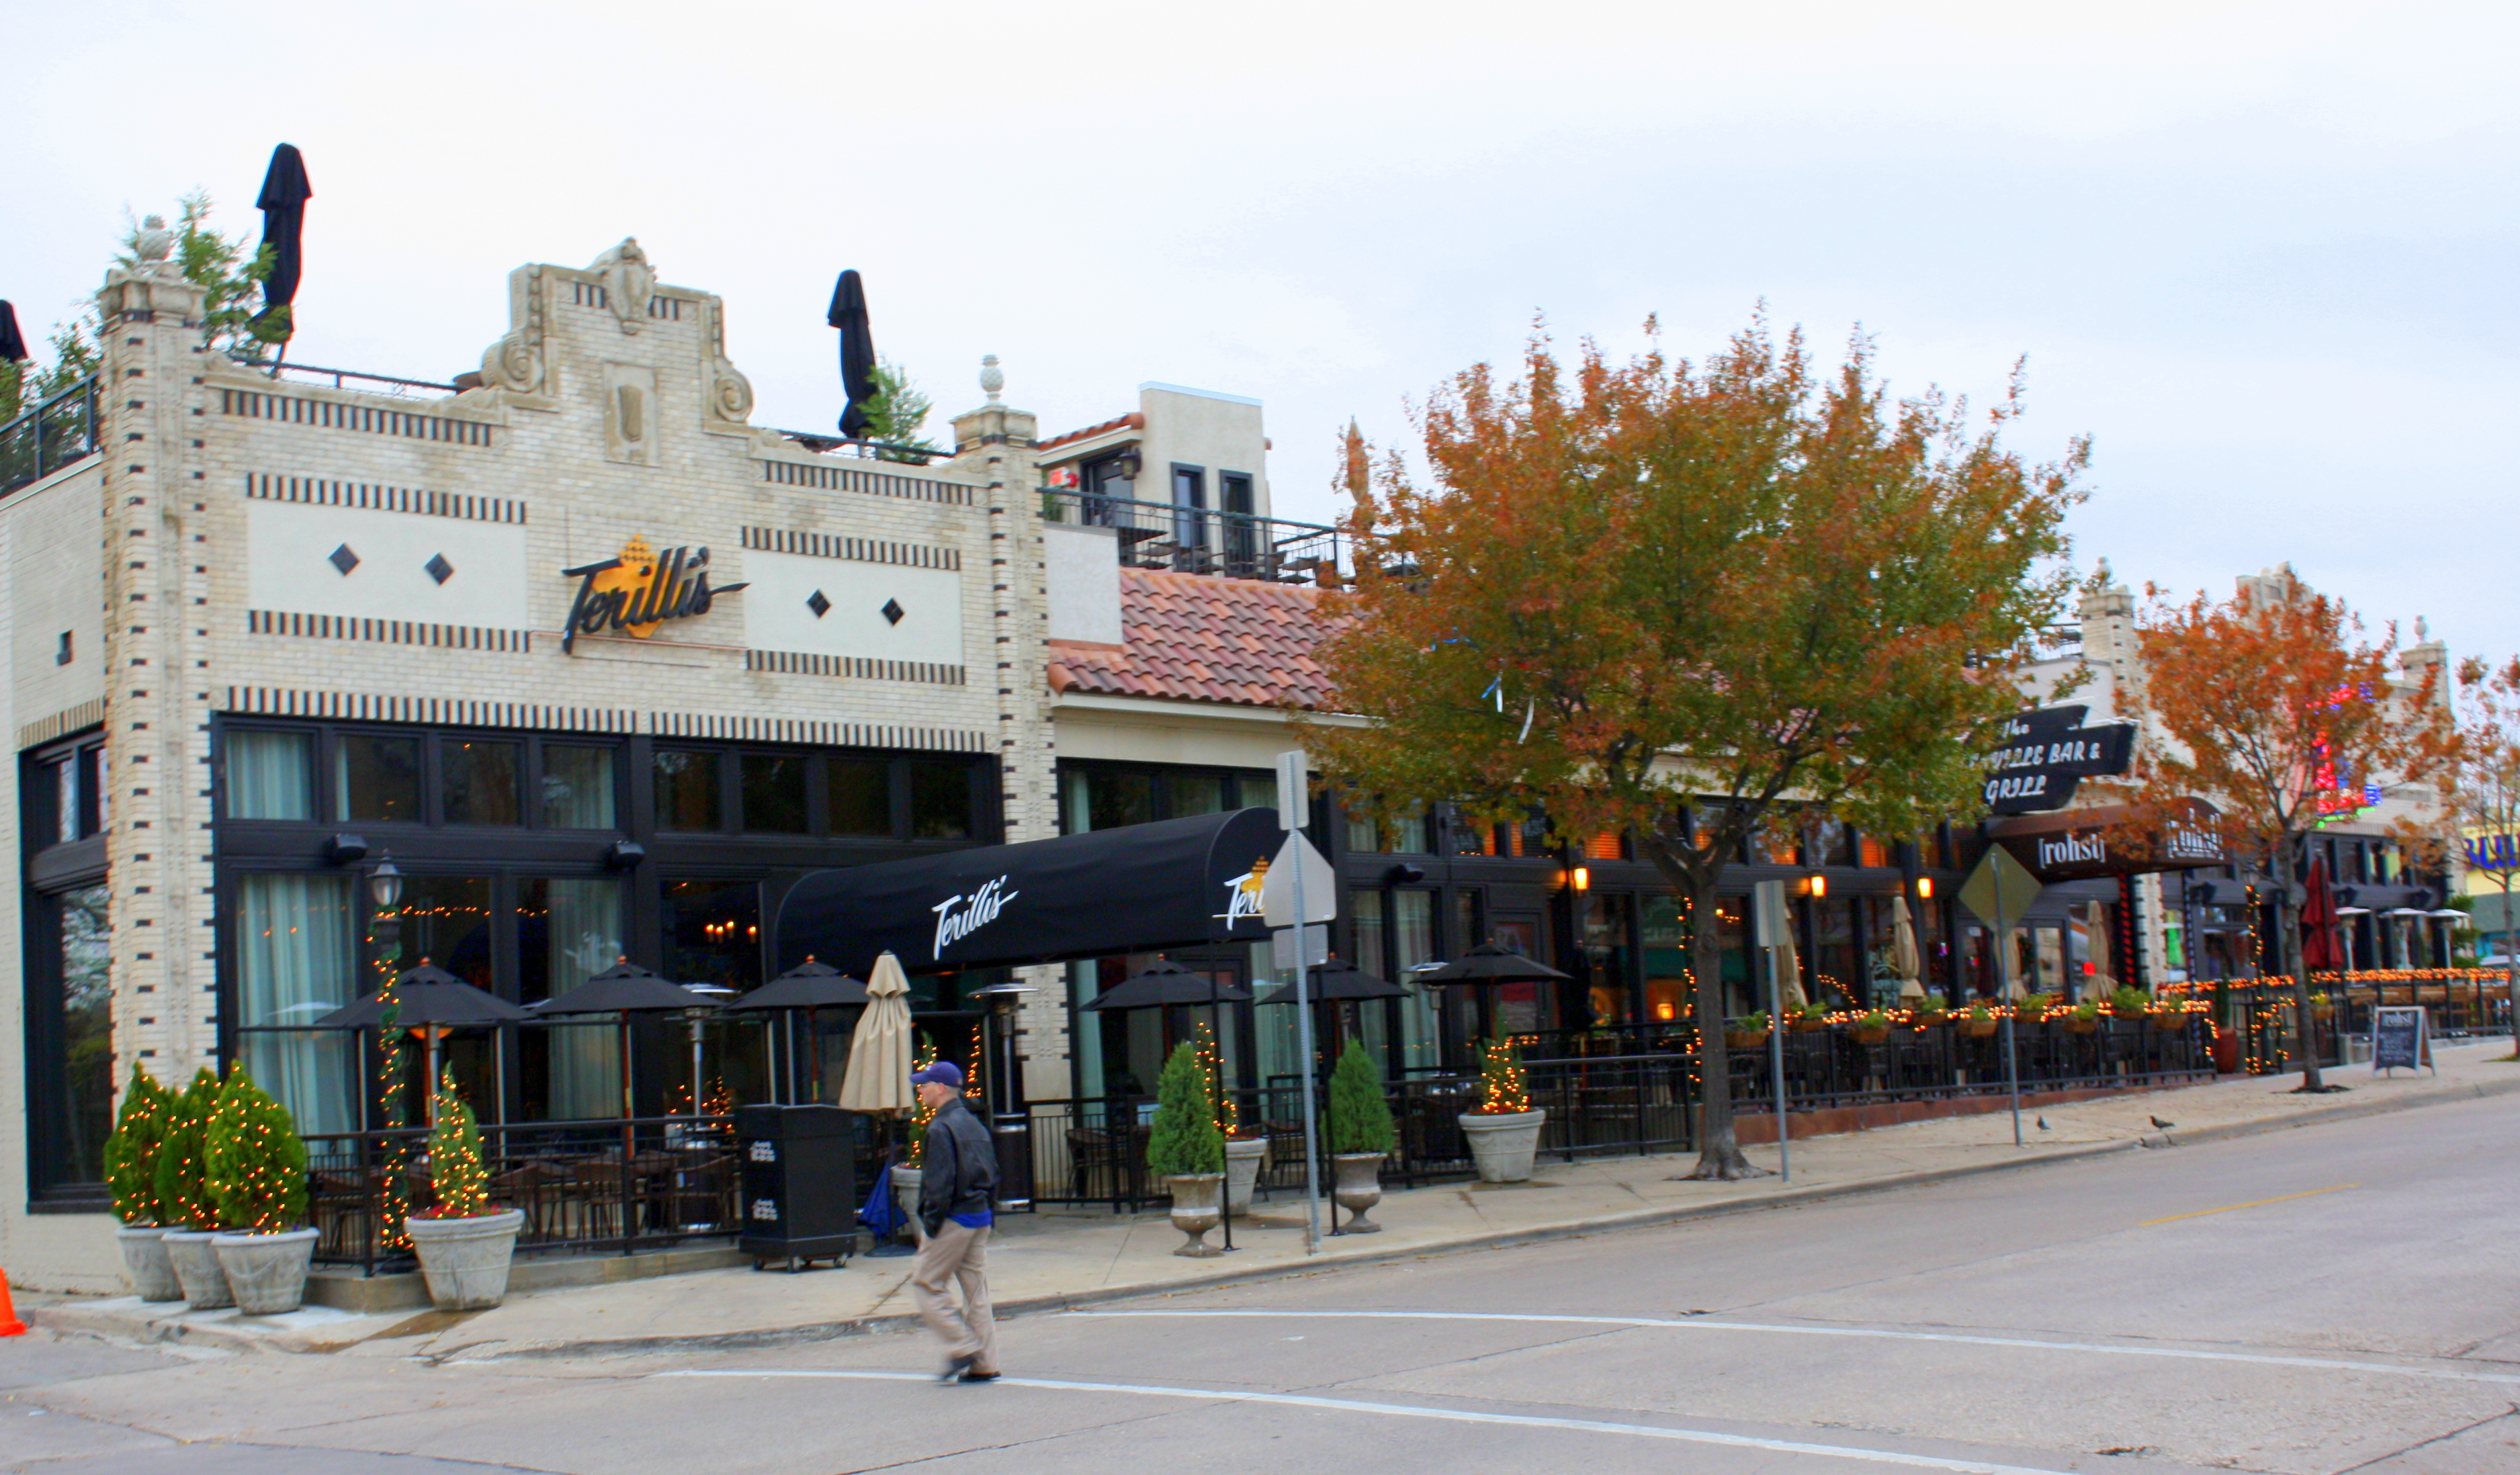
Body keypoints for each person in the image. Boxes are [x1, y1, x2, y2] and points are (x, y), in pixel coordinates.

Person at [908, 1059, 999, 1384]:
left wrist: (931, 1225)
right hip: (979, 1215)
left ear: (941, 1088)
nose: (920, 1090)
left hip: (954, 1218)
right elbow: (993, 1172)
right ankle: (985, 1363)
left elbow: (939, 1184)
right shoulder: (975, 1125)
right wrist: (989, 1211)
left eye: (924, 1085)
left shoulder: (940, 1128)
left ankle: (962, 1347)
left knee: (926, 1283)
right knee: (976, 1292)